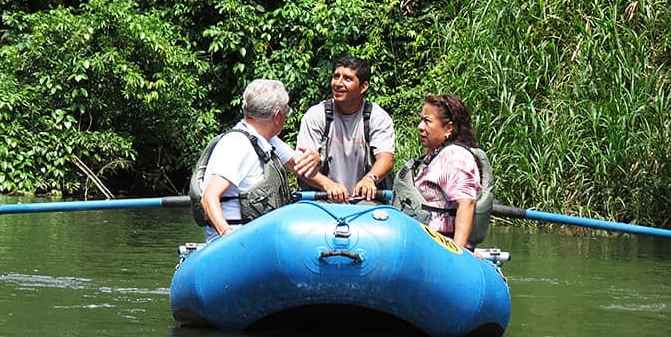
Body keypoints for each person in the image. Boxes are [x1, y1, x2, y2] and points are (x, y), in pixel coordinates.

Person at [197, 79, 322, 243]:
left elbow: (301, 167)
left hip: (259, 243)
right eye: (287, 113)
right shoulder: (237, 144)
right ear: (277, 116)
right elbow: (209, 197)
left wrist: (316, 160)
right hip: (235, 245)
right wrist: (227, 237)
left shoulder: (267, 140)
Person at [392, 94, 492, 251]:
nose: (420, 126)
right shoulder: (434, 155)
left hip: (439, 246)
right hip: (420, 240)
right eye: (421, 120)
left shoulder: (454, 156)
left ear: (448, 128)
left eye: (427, 121)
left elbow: (466, 204)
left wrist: (458, 253)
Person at [296, 56, 395, 203]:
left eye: (347, 79)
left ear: (363, 87)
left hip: (365, 200)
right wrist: (328, 185)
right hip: (323, 199)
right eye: (336, 77)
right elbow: (302, 166)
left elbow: (386, 158)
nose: (338, 83)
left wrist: (370, 179)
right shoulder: (316, 115)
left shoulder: (377, 117)